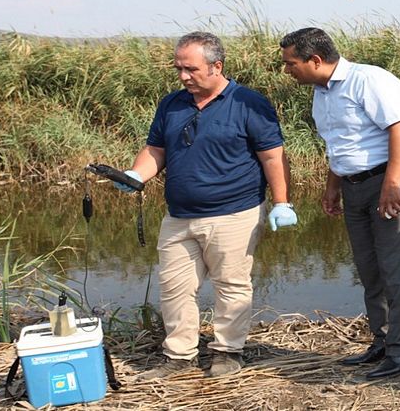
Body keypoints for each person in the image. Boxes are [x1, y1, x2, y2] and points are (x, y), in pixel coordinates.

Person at [114, 31, 298, 380]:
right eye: (178, 69)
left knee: (231, 286)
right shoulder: (172, 103)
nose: (183, 76)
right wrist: (135, 175)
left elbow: (273, 156)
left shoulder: (248, 103)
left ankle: (228, 352)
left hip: (234, 214)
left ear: (217, 66)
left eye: (191, 69)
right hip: (179, 216)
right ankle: (178, 356)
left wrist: (281, 202)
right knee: (175, 287)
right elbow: (157, 150)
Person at [279, 27, 400, 380]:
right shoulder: (321, 92)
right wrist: (333, 186)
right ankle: (383, 342)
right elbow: (339, 143)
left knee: (397, 268)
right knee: (369, 267)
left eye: (291, 63)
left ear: (315, 60)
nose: (287, 70)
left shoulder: (369, 80)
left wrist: (392, 183)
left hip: (392, 177)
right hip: (354, 184)